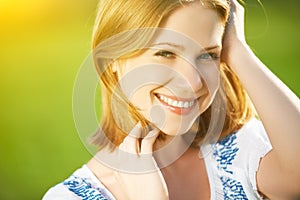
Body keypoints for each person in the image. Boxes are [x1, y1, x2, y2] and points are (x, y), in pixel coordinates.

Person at [43, 0, 300, 199]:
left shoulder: (240, 151)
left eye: (208, 55)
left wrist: (238, 51)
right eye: (165, 53)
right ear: (113, 60)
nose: (193, 82)